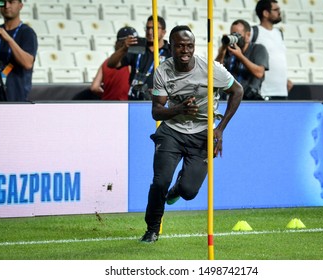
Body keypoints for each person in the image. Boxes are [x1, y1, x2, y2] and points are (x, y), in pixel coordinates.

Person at [140, 25, 244, 243]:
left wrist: (220, 128)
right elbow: (156, 111)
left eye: (189, 46)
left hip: (202, 134)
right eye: (179, 46)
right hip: (172, 131)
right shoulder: (163, 71)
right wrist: (179, 109)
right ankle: (152, 228)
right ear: (171, 47)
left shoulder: (211, 68)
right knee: (160, 182)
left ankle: (178, 188)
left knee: (188, 191)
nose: (185, 51)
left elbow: (238, 91)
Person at [107, 15, 171, 100]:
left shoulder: (170, 52)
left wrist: (157, 92)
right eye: (148, 28)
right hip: (134, 100)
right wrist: (124, 48)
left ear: (163, 32)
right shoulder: (138, 47)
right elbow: (111, 64)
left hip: (158, 102)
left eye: (154, 28)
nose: (150, 32)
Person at [0, 0, 38, 102]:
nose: (7, 6)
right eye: (3, 2)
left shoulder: (27, 33)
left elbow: (28, 63)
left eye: (11, 2)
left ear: (20, 5)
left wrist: (7, 38)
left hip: (16, 97)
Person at [215, 19, 269, 100]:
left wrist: (240, 56)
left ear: (248, 35)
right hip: (228, 98)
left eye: (237, 35)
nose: (235, 38)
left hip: (249, 99)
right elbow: (215, 70)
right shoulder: (228, 50)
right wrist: (223, 49)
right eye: (232, 34)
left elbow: (259, 73)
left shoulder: (258, 49)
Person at [253, 0, 292, 100]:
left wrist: (285, 80)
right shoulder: (254, 31)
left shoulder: (279, 32)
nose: (279, 12)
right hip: (264, 91)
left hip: (282, 91)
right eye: (276, 10)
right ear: (265, 13)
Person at [90, 27, 138, 100]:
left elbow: (94, 87)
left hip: (107, 105)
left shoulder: (106, 62)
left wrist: (108, 95)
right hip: (125, 105)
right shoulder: (130, 62)